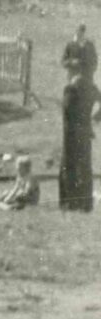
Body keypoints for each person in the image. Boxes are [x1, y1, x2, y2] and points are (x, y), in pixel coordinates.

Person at [62, 69, 96, 213]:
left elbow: (68, 112)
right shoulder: (90, 87)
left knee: (72, 167)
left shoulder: (70, 89)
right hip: (83, 133)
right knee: (84, 168)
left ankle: (73, 203)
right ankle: (84, 203)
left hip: (72, 134)